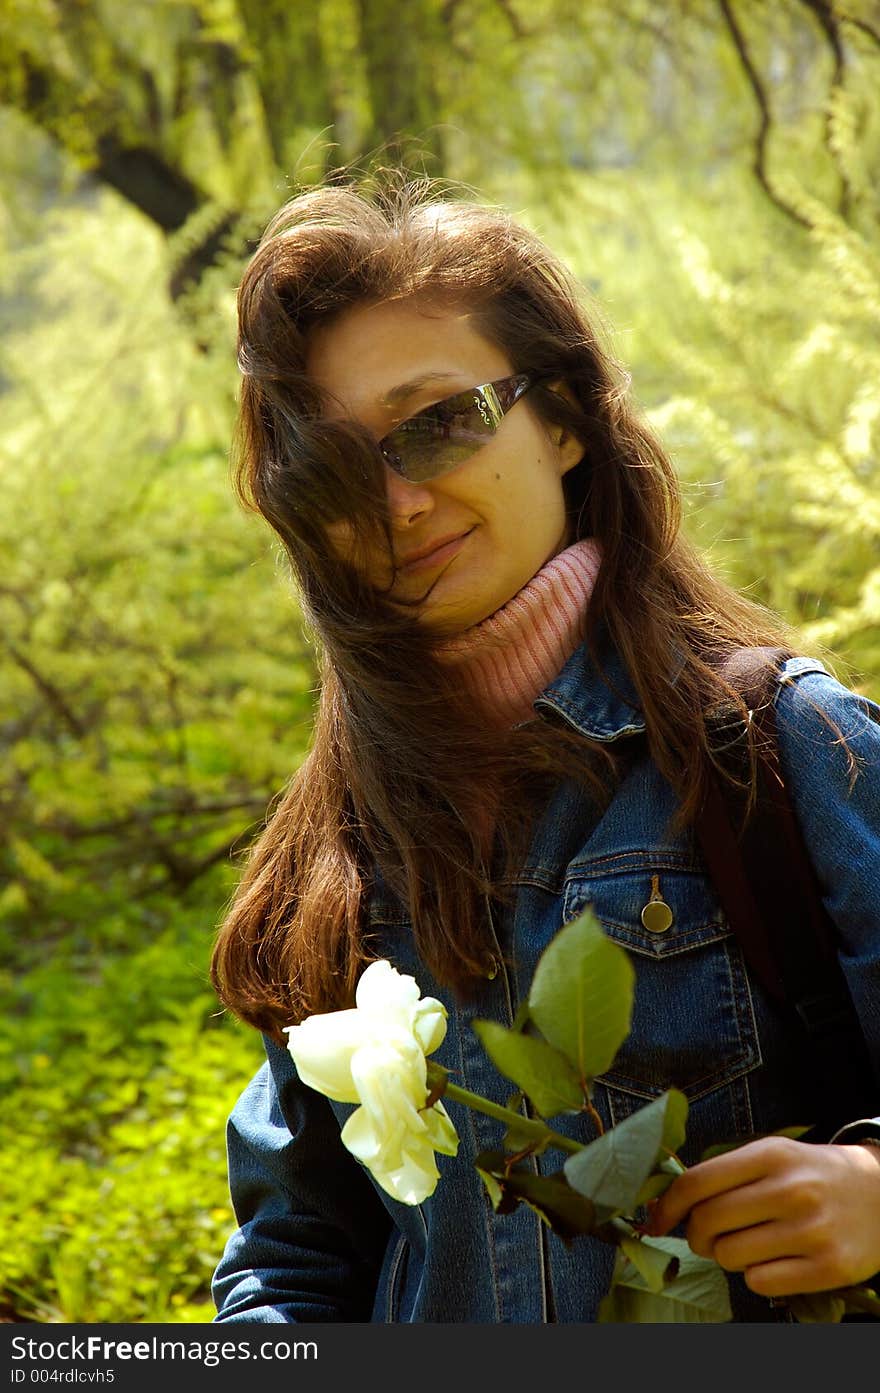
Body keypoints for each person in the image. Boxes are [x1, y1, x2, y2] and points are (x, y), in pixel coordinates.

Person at [208, 177, 880, 1324]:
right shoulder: (347, 837)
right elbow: (291, 1253)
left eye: (438, 422)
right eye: (335, 465)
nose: (395, 503)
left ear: (562, 419)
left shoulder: (782, 748)